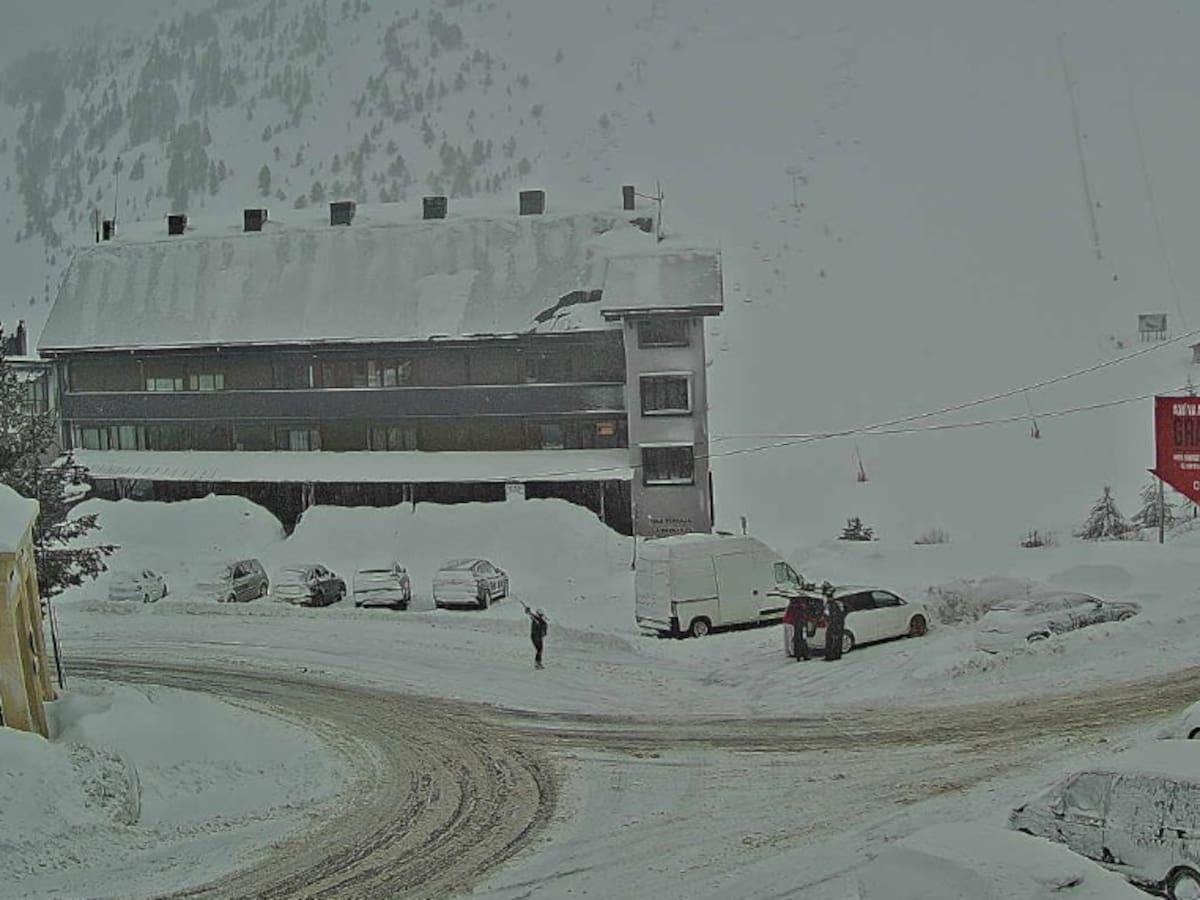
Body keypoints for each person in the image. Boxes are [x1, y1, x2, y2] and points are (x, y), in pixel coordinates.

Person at [522, 602, 549, 669]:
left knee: (540, 650)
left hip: (539, 637)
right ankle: (537, 663)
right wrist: (527, 610)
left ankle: (538, 663)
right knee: (539, 650)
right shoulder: (535, 619)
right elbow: (529, 614)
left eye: (541, 615)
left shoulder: (542, 621)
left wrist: (544, 633)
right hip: (535, 637)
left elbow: (544, 628)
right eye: (540, 614)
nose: (541, 616)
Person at [824, 597, 845, 661]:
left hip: (833, 625)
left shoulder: (829, 605)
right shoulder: (838, 604)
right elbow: (843, 613)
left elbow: (826, 615)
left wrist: (829, 621)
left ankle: (830, 655)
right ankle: (837, 654)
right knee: (837, 639)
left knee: (831, 640)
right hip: (839, 624)